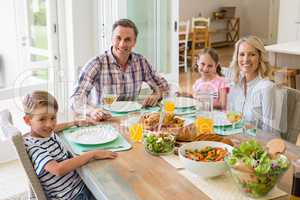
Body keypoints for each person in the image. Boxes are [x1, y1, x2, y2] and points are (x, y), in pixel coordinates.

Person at [23, 91, 117, 200]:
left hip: (77, 186)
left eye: (53, 118)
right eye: (42, 119)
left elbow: (55, 128)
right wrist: (93, 154)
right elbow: (58, 169)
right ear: (27, 121)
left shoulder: (43, 133)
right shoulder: (35, 148)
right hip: (72, 195)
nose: (49, 124)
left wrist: (74, 123)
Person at [71, 19, 169, 121]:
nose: (122, 44)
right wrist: (92, 111)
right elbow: (76, 98)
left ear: (134, 42)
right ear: (112, 39)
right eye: (118, 38)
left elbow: (164, 86)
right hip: (103, 121)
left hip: (132, 120)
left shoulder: (141, 62)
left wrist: (157, 94)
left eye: (127, 40)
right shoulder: (96, 64)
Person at [228, 35, 275, 123]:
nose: (246, 59)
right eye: (242, 54)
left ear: (260, 57)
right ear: (237, 57)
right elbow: (230, 118)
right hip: (235, 134)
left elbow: (270, 131)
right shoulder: (234, 83)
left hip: (258, 137)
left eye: (252, 54)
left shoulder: (267, 88)